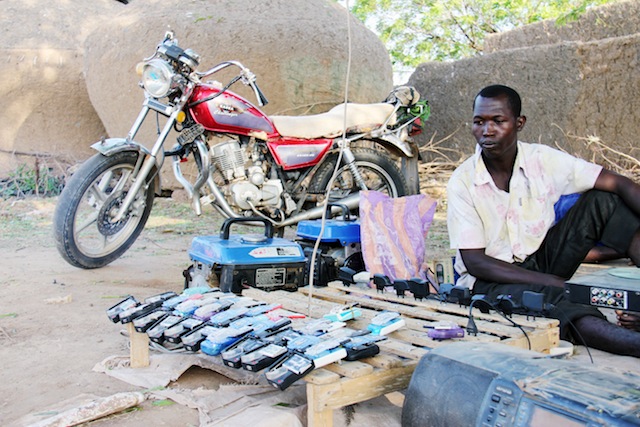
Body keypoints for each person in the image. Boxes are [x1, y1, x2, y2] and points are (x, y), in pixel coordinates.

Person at [446, 84, 640, 357]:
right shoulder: (463, 181)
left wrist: (548, 279)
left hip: (541, 261)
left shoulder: (542, 159)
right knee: (559, 303)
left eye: (498, 121)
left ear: (519, 123)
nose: (487, 131)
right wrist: (553, 284)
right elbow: (475, 262)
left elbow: (619, 183)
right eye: (479, 122)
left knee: (605, 198)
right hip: (488, 281)